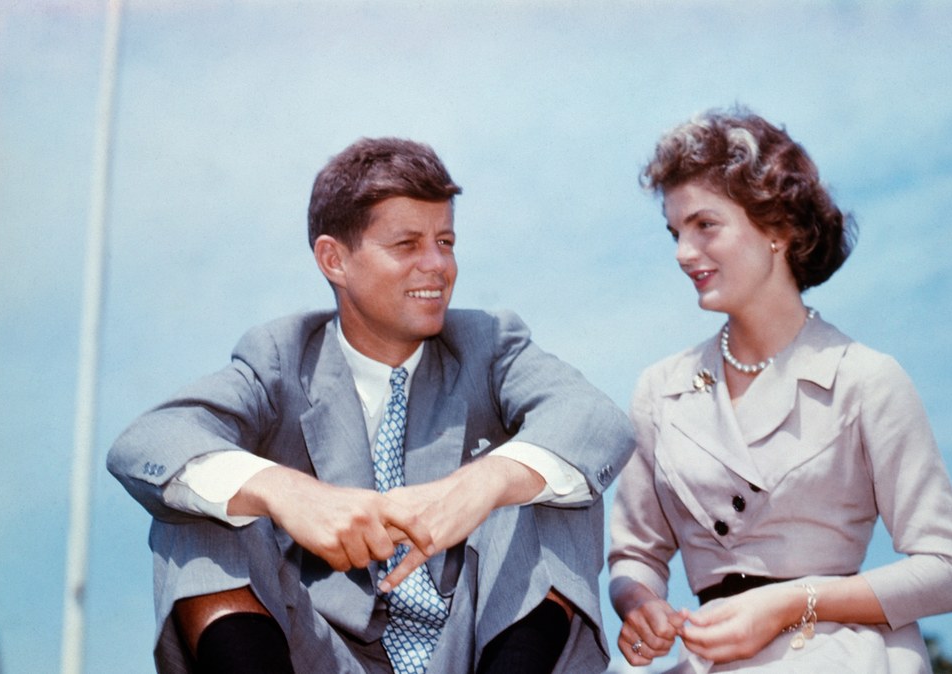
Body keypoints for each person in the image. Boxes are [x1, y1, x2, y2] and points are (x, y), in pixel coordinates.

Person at [108, 137, 634, 674]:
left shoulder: (490, 343)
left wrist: (483, 483)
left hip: (474, 652)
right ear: (333, 259)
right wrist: (289, 492)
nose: (438, 266)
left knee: (549, 478)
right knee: (203, 501)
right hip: (322, 657)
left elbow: (595, 419)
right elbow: (149, 441)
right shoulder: (279, 358)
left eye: (446, 241)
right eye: (407, 245)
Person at [607, 109, 952, 673]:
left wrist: (787, 604)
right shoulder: (660, 391)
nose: (683, 252)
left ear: (777, 228)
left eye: (706, 225)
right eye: (675, 232)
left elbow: (949, 570)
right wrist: (639, 603)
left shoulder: (866, 379)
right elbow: (636, 552)